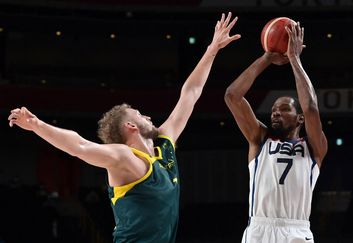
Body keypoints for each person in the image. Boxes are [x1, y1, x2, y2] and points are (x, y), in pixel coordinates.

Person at [8, 12, 241, 243]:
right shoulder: (125, 158)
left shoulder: (164, 145)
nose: (148, 115)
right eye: (140, 114)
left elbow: (190, 93)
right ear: (131, 126)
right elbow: (79, 145)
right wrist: (37, 125)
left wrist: (212, 50)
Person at [224, 22, 327, 243]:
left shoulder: (313, 148)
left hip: (296, 231)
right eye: (273, 110)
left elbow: (310, 107)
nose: (275, 113)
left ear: (299, 118)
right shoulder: (259, 139)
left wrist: (294, 59)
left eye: (283, 109)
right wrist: (267, 58)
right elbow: (232, 96)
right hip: (260, 228)